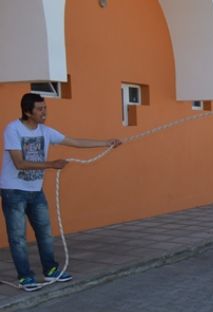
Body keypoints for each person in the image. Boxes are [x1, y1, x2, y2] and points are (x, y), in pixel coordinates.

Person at [1, 93, 122, 292]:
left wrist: (106, 142)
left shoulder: (46, 131)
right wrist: (51, 164)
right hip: (13, 191)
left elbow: (74, 141)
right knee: (18, 238)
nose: (44, 112)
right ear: (27, 112)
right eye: (40, 109)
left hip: (35, 190)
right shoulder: (13, 129)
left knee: (45, 233)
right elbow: (19, 163)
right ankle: (25, 277)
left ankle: (50, 270)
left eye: (45, 108)